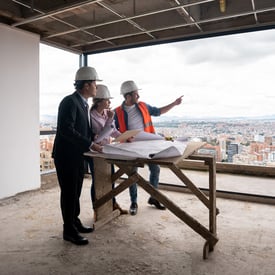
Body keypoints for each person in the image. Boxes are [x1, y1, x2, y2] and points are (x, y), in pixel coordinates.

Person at [114, 80, 183, 215]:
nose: (138, 97)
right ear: (128, 96)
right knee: (132, 174)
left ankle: (154, 197)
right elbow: (114, 130)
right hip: (131, 146)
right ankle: (134, 202)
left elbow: (158, 111)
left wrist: (174, 104)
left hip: (148, 143)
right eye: (136, 94)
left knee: (155, 169)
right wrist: (124, 137)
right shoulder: (117, 112)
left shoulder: (143, 106)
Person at [52, 66, 103, 245]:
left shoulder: (82, 103)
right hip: (66, 156)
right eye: (95, 84)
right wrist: (90, 144)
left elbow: (80, 129)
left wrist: (92, 137)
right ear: (87, 85)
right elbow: (66, 129)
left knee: (76, 191)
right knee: (69, 193)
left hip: (77, 155)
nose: (97, 88)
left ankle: (75, 221)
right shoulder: (70, 102)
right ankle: (69, 230)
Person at [89, 84, 128, 218]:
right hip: (95, 152)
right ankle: (97, 209)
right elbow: (99, 134)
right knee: (97, 181)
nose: (110, 102)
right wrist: (110, 119)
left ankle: (113, 204)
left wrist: (124, 137)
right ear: (99, 101)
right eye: (107, 100)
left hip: (107, 150)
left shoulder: (106, 113)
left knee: (109, 179)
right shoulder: (91, 116)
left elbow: (113, 131)